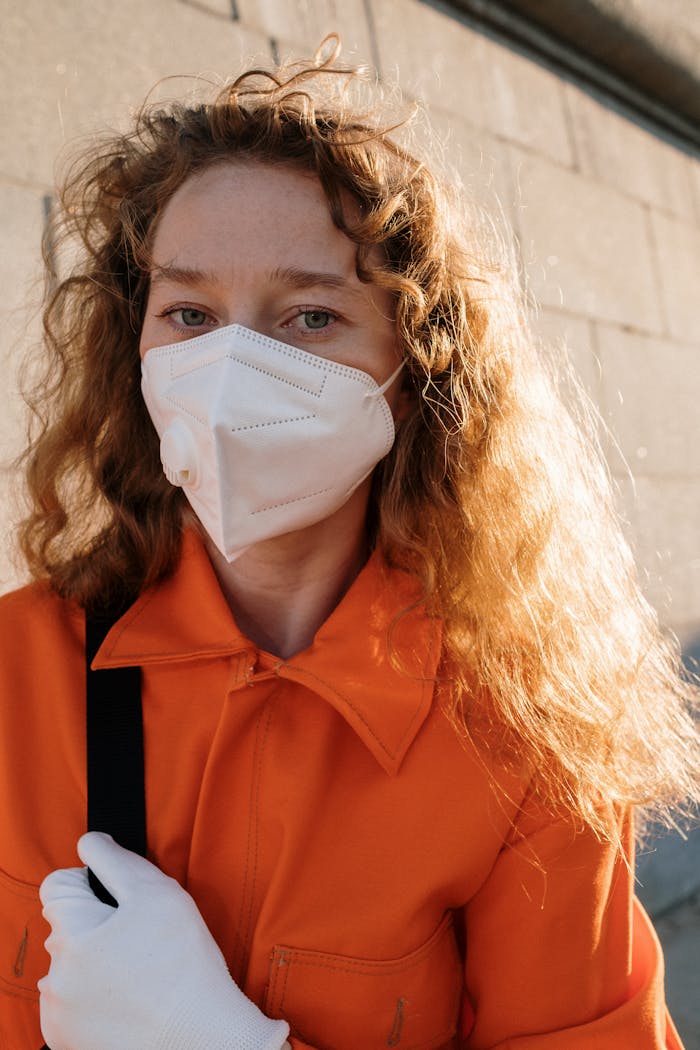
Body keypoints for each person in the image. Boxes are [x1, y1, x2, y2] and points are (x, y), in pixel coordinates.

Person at [1, 35, 698, 1050]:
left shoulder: (524, 745)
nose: (233, 365)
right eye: (189, 310)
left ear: (412, 375)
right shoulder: (19, 671)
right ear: (132, 349)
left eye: (312, 316)